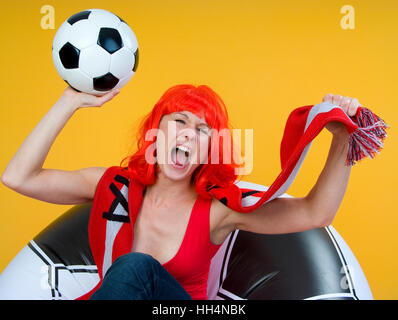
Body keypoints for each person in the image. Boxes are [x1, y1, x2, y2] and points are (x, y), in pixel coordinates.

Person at [1, 84, 361, 300]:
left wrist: (343, 140)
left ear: (210, 149)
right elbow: (19, 177)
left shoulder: (218, 210)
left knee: (135, 267)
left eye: (203, 130)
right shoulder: (112, 186)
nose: (189, 134)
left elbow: (316, 213)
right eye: (180, 121)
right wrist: (70, 100)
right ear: (156, 132)